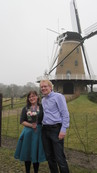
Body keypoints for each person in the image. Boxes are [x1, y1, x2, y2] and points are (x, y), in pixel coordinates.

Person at [40, 80, 70, 173]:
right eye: (42, 87)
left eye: (45, 86)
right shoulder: (43, 100)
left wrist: (63, 129)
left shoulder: (58, 97)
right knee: (49, 157)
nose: (43, 88)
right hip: (45, 129)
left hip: (56, 129)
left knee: (59, 157)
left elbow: (65, 113)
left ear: (50, 87)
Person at [14, 90, 46, 173]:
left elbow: (45, 119)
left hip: (38, 133)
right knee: (27, 152)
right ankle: (27, 171)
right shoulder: (25, 108)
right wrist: (31, 125)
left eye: (33, 96)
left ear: (37, 97)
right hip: (28, 133)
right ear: (28, 98)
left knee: (36, 152)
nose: (31, 98)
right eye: (30, 97)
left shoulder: (42, 107)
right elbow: (22, 121)